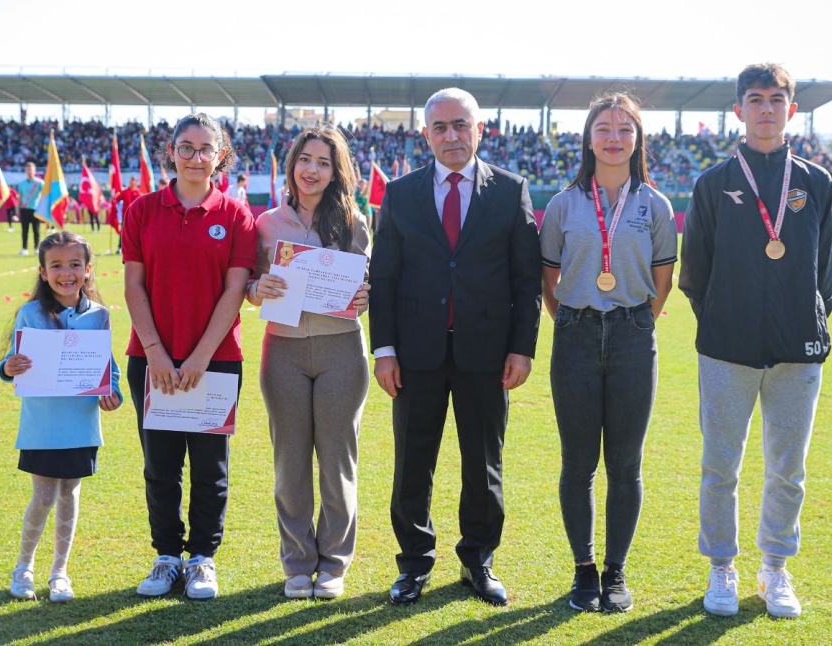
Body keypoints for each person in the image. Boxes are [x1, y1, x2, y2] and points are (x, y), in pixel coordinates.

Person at [679, 63, 832, 620]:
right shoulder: (713, 183)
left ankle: (775, 566)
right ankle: (721, 565)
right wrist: (725, 317)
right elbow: (693, 272)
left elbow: (827, 272)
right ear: (738, 111)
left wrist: (806, 319)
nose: (766, 108)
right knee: (719, 466)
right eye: (755, 99)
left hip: (798, 351)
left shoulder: (817, 182)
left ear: (791, 109)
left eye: (777, 98)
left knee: (787, 469)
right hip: (727, 349)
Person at [369, 87, 542, 607]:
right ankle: (414, 564)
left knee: (483, 465)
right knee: (412, 465)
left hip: (487, 356)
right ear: (426, 135)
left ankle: (478, 562)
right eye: (440, 127)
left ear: (479, 130)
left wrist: (522, 348)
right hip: (415, 356)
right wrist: (385, 350)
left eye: (460, 125)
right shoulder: (399, 194)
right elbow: (385, 278)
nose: (451, 135)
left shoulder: (511, 191)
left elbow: (526, 280)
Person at [539, 93, 677, 613]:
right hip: (573, 335)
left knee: (625, 464)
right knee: (578, 464)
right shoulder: (563, 203)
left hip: (633, 340)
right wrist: (572, 320)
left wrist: (633, 320)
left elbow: (662, 281)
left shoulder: (655, 205)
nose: (614, 137)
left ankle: (616, 572)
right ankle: (583, 569)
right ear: (588, 138)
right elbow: (547, 278)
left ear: (637, 138)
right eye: (603, 128)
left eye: (625, 128)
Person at [123, 113, 257, 601]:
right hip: (151, 358)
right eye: (187, 147)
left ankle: (201, 558)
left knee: (209, 467)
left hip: (216, 361)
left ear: (220, 155)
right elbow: (133, 286)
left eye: (206, 149)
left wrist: (200, 356)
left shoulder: (237, 215)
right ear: (171, 151)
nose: (196, 157)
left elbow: (234, 291)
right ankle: (165, 557)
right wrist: (157, 351)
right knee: (160, 465)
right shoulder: (142, 209)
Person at [247, 125, 371, 600]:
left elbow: (365, 284)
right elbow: (248, 285)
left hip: (342, 351)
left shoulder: (354, 222)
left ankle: (334, 564)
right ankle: (297, 562)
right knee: (290, 464)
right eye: (305, 159)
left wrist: (364, 296)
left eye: (323, 161)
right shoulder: (266, 224)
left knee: (338, 463)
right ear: (292, 163)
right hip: (283, 353)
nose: (312, 169)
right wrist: (259, 290)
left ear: (336, 170)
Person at [0, 230, 123, 603]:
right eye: (56, 266)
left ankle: (59, 573)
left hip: (81, 423)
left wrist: (112, 392)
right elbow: (11, 362)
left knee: (69, 493)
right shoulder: (30, 313)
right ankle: (23, 567)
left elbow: (108, 366)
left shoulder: (99, 315)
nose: (65, 273)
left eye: (74, 265)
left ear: (88, 270)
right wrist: (10, 366)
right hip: (43, 423)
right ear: (42, 271)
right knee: (42, 496)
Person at [17, 162, 44, 255]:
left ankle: (36, 248)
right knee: (24, 230)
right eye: (27, 169)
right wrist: (17, 209)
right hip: (24, 209)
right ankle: (24, 248)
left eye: (31, 169)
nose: (29, 171)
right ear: (25, 170)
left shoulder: (40, 183)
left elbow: (45, 196)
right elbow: (19, 197)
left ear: (35, 171)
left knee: (36, 230)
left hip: (35, 209)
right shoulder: (22, 184)